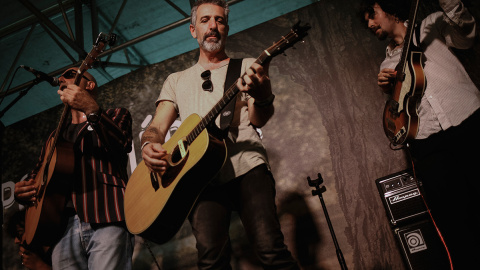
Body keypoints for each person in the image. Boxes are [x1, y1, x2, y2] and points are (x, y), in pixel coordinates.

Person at [140, 0, 299, 269]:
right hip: (199, 180)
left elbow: (260, 118)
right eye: (205, 20)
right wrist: (148, 144)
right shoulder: (176, 80)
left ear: (226, 28)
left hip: (247, 167)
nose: (213, 25)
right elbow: (156, 128)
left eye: (220, 20)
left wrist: (262, 97)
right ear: (193, 30)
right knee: (211, 262)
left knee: (270, 250)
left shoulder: (247, 66)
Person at [361, 0, 480, 268]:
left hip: (468, 121)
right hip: (428, 143)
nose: (369, 24)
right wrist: (387, 90)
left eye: (373, 15)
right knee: (456, 222)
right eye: (366, 21)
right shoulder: (386, 63)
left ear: (390, 9)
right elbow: (399, 108)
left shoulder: (431, 25)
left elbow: (467, 38)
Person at [14, 68, 134, 270]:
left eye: (70, 74)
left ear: (89, 84)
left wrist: (90, 108)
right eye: (60, 77)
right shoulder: (55, 138)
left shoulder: (115, 114)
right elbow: (36, 176)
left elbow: (120, 144)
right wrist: (22, 192)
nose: (62, 78)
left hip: (106, 215)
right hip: (62, 228)